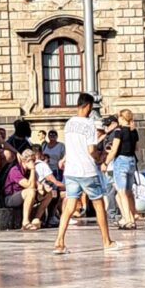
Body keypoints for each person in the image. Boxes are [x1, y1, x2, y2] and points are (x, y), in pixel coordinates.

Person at [52, 93, 119, 255]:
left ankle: (59, 241)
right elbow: (90, 149)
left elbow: (73, 146)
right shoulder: (89, 124)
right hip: (87, 170)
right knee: (99, 205)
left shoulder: (68, 124)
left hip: (71, 171)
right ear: (88, 106)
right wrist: (99, 159)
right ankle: (106, 241)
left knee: (69, 206)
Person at [103, 108, 139, 230]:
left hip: (121, 161)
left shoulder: (119, 131)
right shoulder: (134, 131)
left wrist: (106, 162)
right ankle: (133, 218)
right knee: (129, 192)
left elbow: (114, 149)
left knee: (121, 192)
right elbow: (136, 149)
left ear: (122, 118)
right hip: (131, 161)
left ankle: (128, 220)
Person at [4, 149, 52, 230]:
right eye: (30, 160)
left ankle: (36, 219)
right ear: (24, 160)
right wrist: (33, 169)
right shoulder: (15, 170)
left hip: (24, 195)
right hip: (10, 197)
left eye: (34, 160)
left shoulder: (29, 171)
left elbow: (36, 183)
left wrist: (42, 187)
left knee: (48, 194)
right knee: (31, 192)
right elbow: (30, 186)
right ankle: (25, 222)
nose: (32, 163)